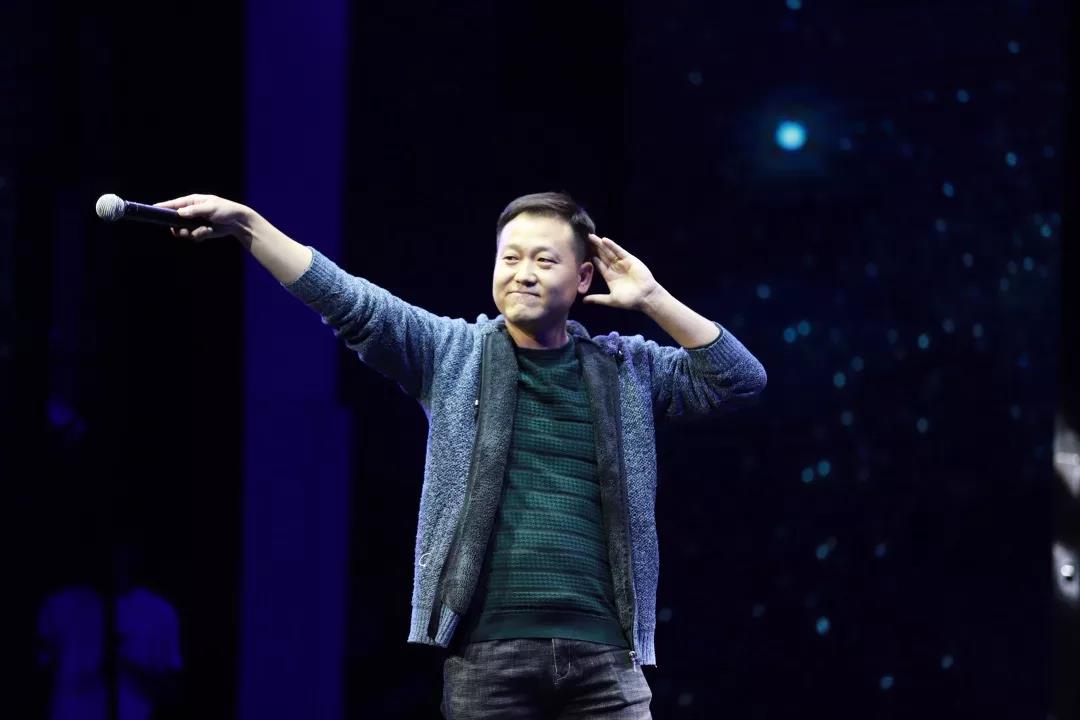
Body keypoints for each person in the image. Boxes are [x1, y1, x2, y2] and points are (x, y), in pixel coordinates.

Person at [154, 191, 767, 718]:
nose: (524, 273)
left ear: (584, 279)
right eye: (510, 258)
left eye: (545, 260)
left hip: (606, 655)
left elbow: (740, 379)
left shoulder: (626, 366)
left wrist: (652, 297)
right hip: (487, 653)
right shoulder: (453, 352)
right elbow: (350, 301)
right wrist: (249, 225)